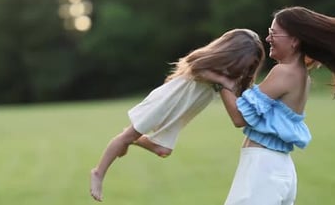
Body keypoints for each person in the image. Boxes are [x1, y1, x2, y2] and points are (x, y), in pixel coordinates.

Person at [201, 6, 335, 205]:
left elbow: (239, 117)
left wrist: (219, 80)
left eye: (273, 33)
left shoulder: (284, 72)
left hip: (262, 170)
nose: (268, 39)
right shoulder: (300, 74)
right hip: (278, 169)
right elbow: (250, 107)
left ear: (294, 40)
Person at [89, 28, 266, 202]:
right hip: (165, 102)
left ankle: (132, 139)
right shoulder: (209, 64)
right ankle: (98, 172)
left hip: (179, 111)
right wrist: (222, 80)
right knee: (127, 136)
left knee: (163, 150)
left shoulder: (229, 74)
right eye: (244, 63)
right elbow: (193, 64)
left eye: (249, 66)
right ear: (233, 52)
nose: (245, 69)